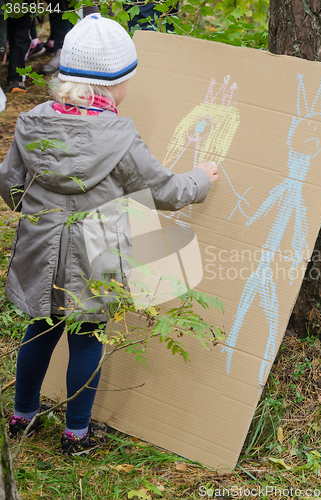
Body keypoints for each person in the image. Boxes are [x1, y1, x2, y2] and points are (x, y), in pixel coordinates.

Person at [0, 13, 218, 456]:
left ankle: (23, 415)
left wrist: (38, 213)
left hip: (40, 248)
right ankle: (76, 433)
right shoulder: (119, 134)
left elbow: (10, 185)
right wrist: (202, 177)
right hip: (95, 255)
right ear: (113, 85)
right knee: (87, 336)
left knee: (40, 329)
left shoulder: (33, 122)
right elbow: (165, 192)